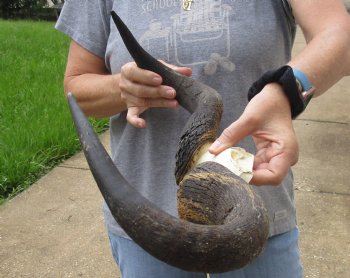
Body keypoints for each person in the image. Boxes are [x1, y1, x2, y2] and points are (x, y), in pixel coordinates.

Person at [56, 1, 350, 277]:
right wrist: (121, 87)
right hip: (148, 230)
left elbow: (340, 36)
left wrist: (286, 91)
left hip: (259, 222)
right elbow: (77, 87)